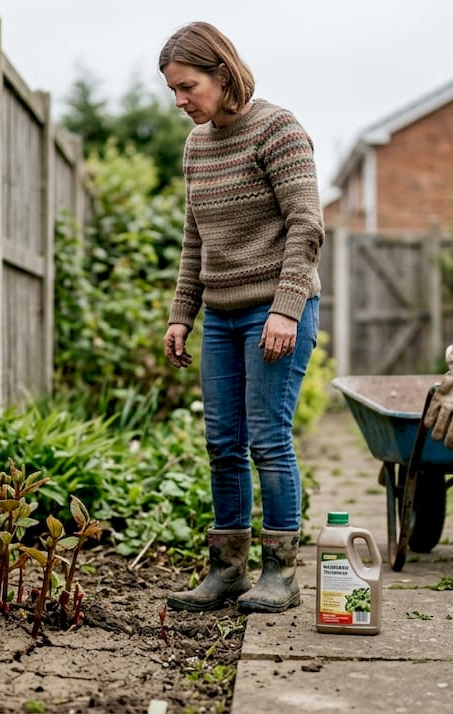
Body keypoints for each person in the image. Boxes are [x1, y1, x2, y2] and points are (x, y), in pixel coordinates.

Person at [158, 21, 324, 614]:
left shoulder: (278, 130)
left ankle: (281, 572)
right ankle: (227, 569)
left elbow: (307, 227)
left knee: (268, 440)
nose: (180, 101)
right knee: (221, 443)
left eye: (188, 86)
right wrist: (182, 315)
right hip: (223, 318)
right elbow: (194, 240)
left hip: (276, 311)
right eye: (173, 90)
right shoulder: (197, 146)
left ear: (222, 74)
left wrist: (286, 308)